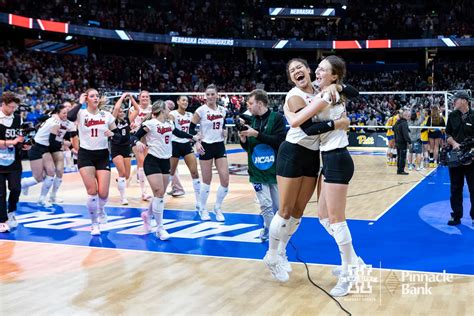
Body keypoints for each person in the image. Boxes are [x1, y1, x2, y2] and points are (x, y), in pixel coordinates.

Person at [263, 57, 355, 285]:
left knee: (298, 212)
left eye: (300, 67)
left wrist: (337, 85)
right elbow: (306, 127)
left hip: (313, 155)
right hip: (292, 152)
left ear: (308, 70)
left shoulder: (320, 88)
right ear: (291, 77)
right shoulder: (294, 95)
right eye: (292, 70)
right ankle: (272, 256)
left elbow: (351, 92)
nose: (296, 71)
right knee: (284, 210)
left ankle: (282, 252)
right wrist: (337, 124)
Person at [283, 55, 363, 297]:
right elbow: (352, 92)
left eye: (322, 70)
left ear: (334, 75)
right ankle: (354, 261)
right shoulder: (326, 90)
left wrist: (289, 111)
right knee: (323, 218)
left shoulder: (328, 94)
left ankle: (349, 273)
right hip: (328, 158)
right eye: (316, 68)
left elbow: (301, 122)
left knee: (337, 220)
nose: (317, 72)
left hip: (337, 158)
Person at [132, 100, 199, 240]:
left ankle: (147, 214)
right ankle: (160, 228)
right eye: (168, 108)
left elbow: (178, 133)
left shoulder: (169, 123)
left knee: (160, 194)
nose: (170, 110)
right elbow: (134, 136)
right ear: (162, 110)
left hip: (165, 161)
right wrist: (137, 142)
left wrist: (192, 137)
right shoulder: (150, 123)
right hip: (152, 161)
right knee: (159, 192)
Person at [67, 88, 119, 236]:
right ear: (87, 99)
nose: (95, 98)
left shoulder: (107, 115)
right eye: (92, 96)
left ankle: (101, 209)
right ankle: (94, 223)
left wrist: (112, 134)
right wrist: (79, 103)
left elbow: (118, 136)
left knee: (103, 193)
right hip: (85, 155)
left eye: (97, 96)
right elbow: (70, 117)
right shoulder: (80, 113)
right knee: (92, 191)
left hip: (102, 155)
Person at [238, 89, 286, 242]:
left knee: (278, 207)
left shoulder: (277, 118)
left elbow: (279, 141)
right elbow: (248, 148)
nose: (248, 106)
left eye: (250, 103)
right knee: (265, 204)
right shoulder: (250, 120)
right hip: (257, 169)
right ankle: (274, 237)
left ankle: (268, 228)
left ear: (259, 103)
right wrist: (244, 140)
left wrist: (256, 134)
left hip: (274, 168)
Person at [21, 104, 75, 206]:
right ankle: (24, 183)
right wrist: (65, 144)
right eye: (64, 113)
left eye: (67, 112)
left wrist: (70, 146)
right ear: (57, 113)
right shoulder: (55, 122)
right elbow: (53, 141)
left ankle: (42, 199)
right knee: (38, 178)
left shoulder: (56, 120)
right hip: (36, 148)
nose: (66, 115)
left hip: (44, 148)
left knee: (51, 172)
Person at [189, 84, 229, 222]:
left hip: (219, 146)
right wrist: (197, 142)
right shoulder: (201, 110)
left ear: (217, 95)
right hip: (205, 146)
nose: (210, 97)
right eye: (208, 94)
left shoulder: (223, 110)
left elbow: (223, 126)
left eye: (213, 94)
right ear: (205, 96)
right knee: (207, 180)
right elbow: (191, 128)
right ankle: (203, 208)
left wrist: (225, 132)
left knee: (225, 179)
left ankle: (217, 208)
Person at [444, 91, 474, 226]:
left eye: (456, 99)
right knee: (455, 188)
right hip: (455, 157)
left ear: (464, 101)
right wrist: (454, 144)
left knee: (473, 188)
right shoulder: (452, 115)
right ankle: (456, 216)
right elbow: (448, 134)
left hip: (472, 158)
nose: (453, 101)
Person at [0, 92, 27, 232]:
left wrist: (24, 144)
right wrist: (11, 142)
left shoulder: (17, 118)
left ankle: (11, 212)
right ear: (3, 104)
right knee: (0, 193)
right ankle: (2, 220)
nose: (13, 110)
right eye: (10, 107)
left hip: (14, 159)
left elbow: (20, 137)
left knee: (16, 188)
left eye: (15, 107)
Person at [169, 96, 201, 212]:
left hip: (187, 145)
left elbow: (192, 129)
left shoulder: (190, 115)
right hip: (175, 145)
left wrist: (197, 137)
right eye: (183, 100)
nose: (185, 102)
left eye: (187, 101)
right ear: (177, 101)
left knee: (194, 172)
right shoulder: (172, 114)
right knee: (171, 172)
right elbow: (175, 131)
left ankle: (199, 202)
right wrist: (192, 137)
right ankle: (159, 198)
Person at [128, 91, 153, 201]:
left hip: (148, 138)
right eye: (143, 97)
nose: (144, 98)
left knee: (144, 162)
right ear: (139, 98)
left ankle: (134, 175)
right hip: (136, 137)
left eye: (146, 97)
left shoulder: (153, 109)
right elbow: (130, 121)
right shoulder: (134, 109)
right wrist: (132, 124)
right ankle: (144, 192)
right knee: (142, 162)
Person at [111, 92, 132, 205]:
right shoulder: (112, 121)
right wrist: (123, 97)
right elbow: (116, 108)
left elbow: (137, 111)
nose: (122, 111)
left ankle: (120, 181)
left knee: (126, 175)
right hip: (116, 148)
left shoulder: (127, 120)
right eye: (120, 111)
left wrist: (132, 98)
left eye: (123, 110)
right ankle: (123, 198)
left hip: (126, 148)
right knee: (122, 173)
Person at [393, 109, 412, 175]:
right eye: (409, 116)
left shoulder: (398, 122)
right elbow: (405, 134)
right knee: (402, 157)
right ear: (405, 116)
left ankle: (399, 170)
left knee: (399, 156)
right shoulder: (404, 123)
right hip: (402, 142)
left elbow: (393, 128)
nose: (409, 117)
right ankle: (401, 170)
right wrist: (409, 142)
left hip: (397, 141)